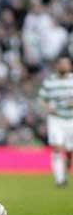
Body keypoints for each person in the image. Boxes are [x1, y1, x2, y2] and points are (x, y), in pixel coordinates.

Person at [39, 56, 73, 187]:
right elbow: (42, 98)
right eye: (62, 64)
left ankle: (67, 163)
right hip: (56, 118)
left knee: (69, 151)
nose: (64, 66)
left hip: (71, 119)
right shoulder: (49, 81)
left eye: (67, 64)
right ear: (57, 66)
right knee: (58, 148)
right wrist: (47, 107)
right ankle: (60, 180)